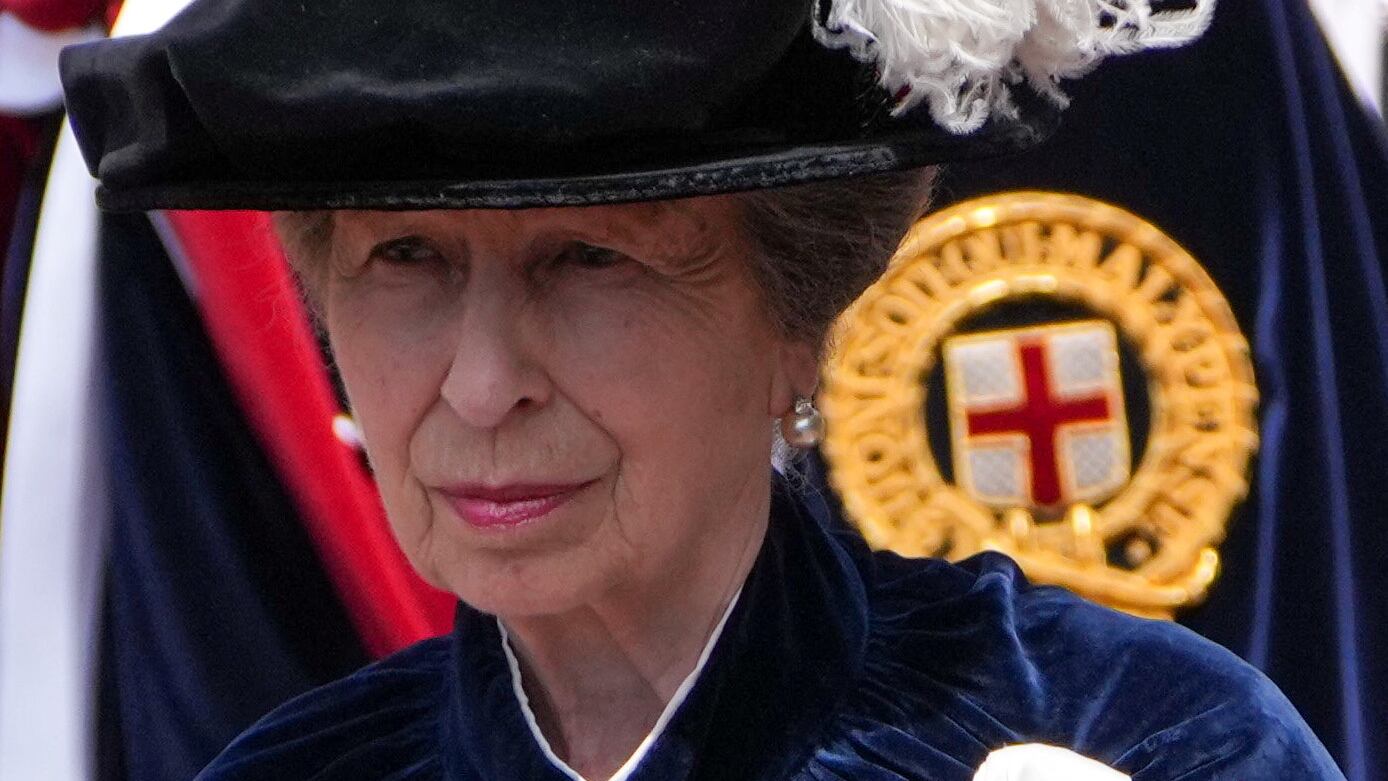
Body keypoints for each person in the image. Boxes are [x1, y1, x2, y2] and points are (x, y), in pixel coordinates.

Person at [58, 0, 1346, 778]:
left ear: (801, 316)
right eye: (406, 258)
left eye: (589, 260)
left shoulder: (1146, 739)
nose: (484, 381)